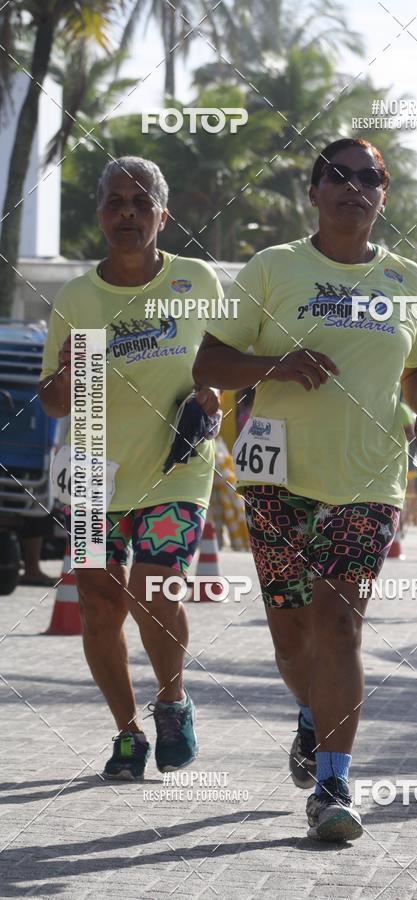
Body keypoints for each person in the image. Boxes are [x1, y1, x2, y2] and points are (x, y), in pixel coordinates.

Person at [192, 137, 417, 842]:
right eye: (338, 176)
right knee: (292, 641)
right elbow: (210, 363)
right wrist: (274, 364)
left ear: (384, 194)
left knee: (340, 622)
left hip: (371, 479)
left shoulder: (409, 279)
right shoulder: (273, 267)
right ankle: (312, 715)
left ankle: (334, 785)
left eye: (369, 177)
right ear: (314, 192)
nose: (354, 187)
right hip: (277, 479)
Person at [38, 157, 221, 780]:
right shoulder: (77, 297)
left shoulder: (197, 281)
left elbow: (227, 362)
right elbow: (53, 402)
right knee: (97, 603)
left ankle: (172, 701)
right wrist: (67, 373)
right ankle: (127, 733)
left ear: (163, 217)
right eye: (116, 202)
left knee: (154, 588)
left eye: (142, 204)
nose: (128, 214)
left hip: (177, 465)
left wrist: (216, 394)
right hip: (93, 472)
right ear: (99, 214)